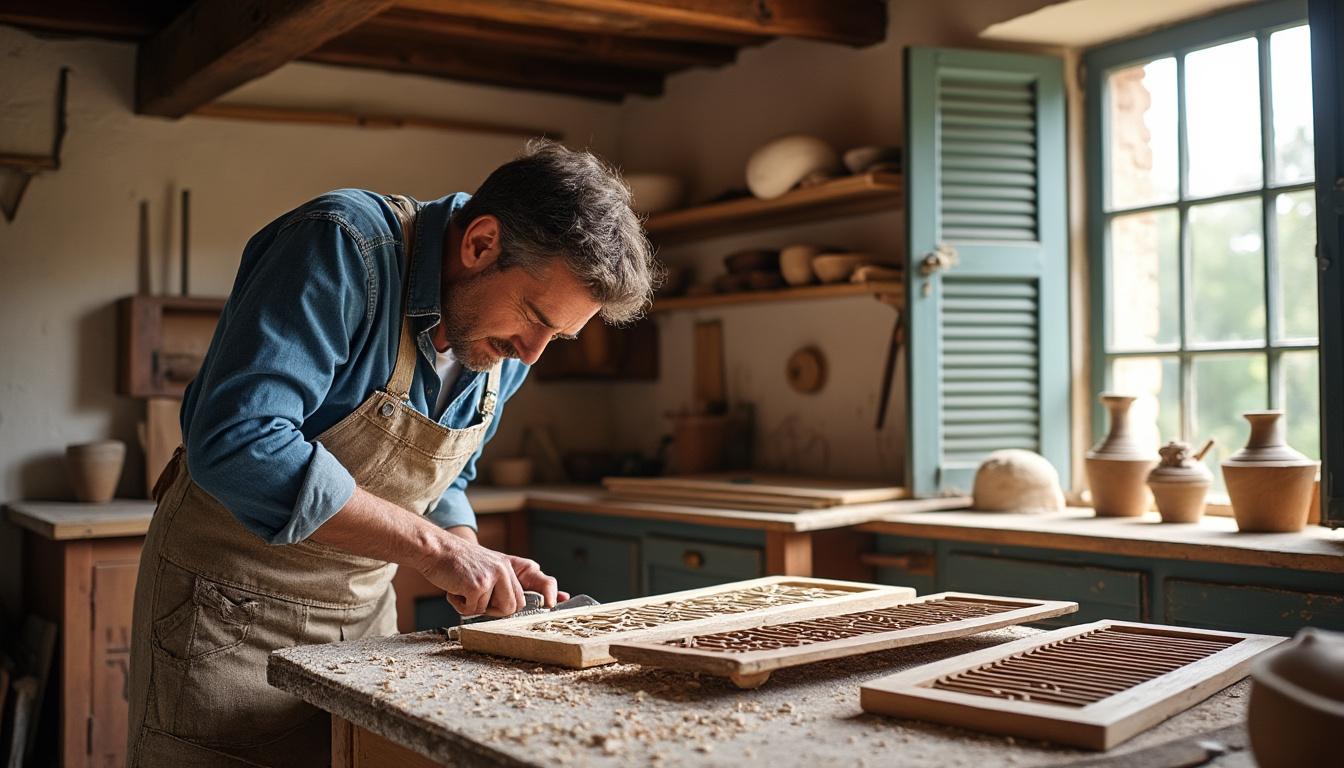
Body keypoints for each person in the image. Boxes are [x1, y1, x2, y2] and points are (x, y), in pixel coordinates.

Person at [125, 140, 657, 767]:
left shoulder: (500, 346)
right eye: (535, 317)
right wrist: (439, 551)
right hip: (226, 615)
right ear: (480, 243)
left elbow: (445, 481)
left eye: (557, 336)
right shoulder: (344, 246)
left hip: (363, 621)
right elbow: (239, 442)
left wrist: (477, 560)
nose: (533, 353)